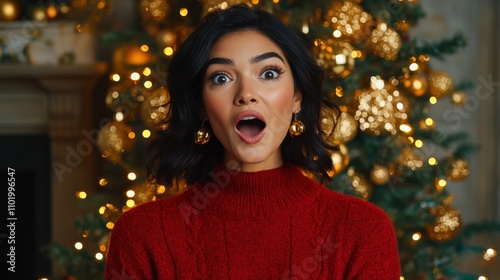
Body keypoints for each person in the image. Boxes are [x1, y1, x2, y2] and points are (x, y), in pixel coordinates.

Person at [105, 4, 400, 280]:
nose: (246, 93)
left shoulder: (362, 230)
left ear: (297, 97)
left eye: (268, 73)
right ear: (200, 106)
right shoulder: (141, 235)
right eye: (221, 78)